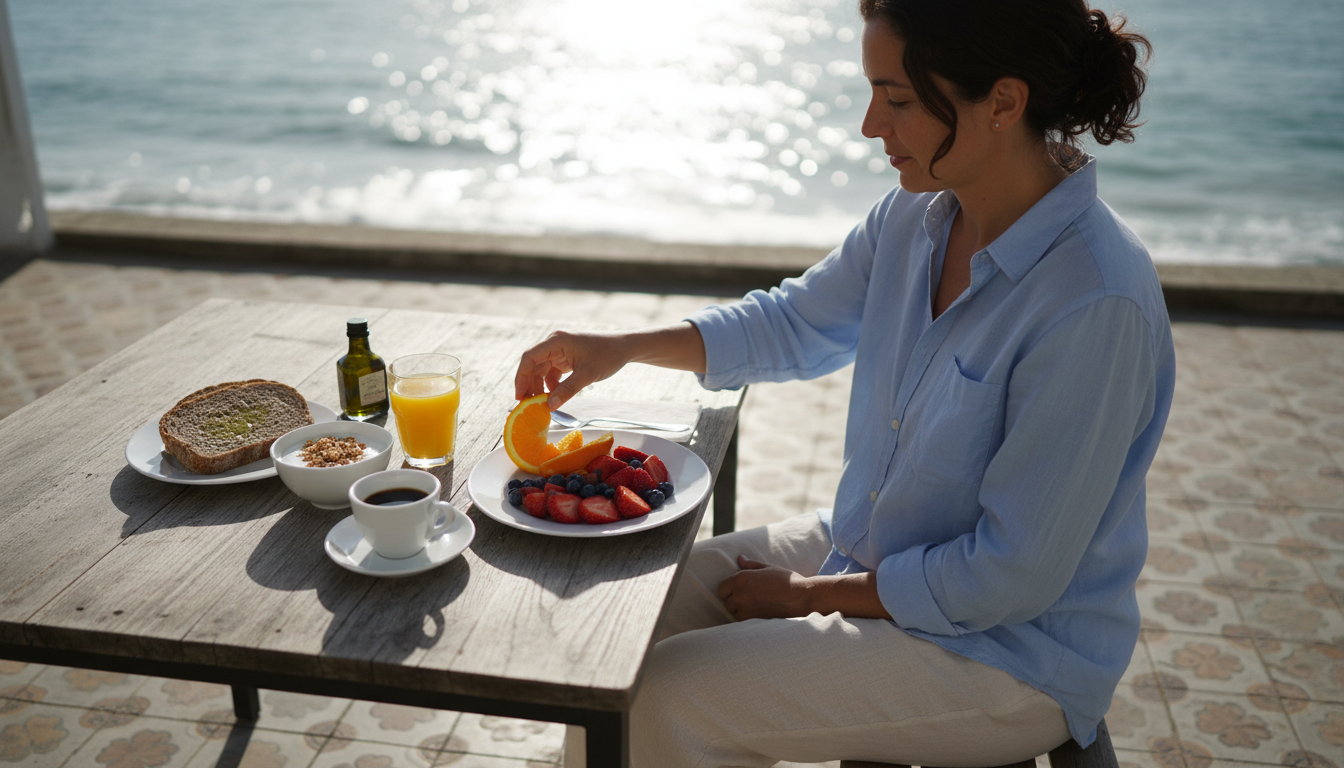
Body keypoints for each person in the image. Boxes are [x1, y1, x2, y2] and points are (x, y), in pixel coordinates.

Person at [514, 1, 1171, 765]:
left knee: (668, 696)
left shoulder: (1094, 301)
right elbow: (792, 323)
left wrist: (809, 597)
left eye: (897, 100)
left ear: (1002, 102)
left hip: (1012, 654)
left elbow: (1007, 576)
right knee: (623, 619)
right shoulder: (915, 217)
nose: (869, 125)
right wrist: (619, 348)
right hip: (874, 546)